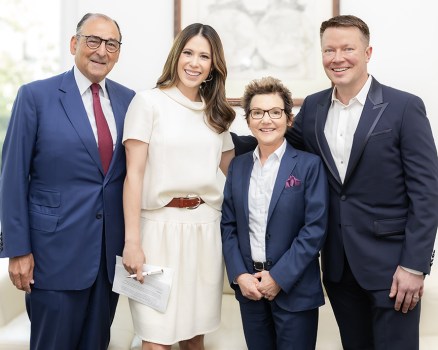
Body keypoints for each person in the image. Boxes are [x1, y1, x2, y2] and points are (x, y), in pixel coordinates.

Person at [232, 14, 438, 350]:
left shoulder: (404, 107)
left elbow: (427, 194)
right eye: (329, 50)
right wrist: (219, 142)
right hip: (339, 268)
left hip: (393, 268)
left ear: (368, 53)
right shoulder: (313, 107)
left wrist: (415, 266)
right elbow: (280, 140)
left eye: (347, 49)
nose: (337, 58)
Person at [0, 13, 135, 350]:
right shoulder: (35, 97)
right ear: (74, 44)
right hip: (53, 257)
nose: (102, 51)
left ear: (118, 52)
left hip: (107, 259)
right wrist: (18, 250)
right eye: (93, 40)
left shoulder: (129, 101)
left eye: (111, 44)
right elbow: (12, 176)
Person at [122, 23, 235, 350]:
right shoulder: (148, 103)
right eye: (188, 52)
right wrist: (132, 242)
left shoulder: (216, 114)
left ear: (213, 66)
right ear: (176, 55)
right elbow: (134, 176)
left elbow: (237, 174)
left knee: (194, 336)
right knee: (155, 337)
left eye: (204, 56)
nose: (194, 62)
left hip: (205, 230)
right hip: (156, 231)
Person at [221, 76, 328, 349]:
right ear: (248, 120)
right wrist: (238, 275)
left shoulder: (309, 166)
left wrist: (279, 277)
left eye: (275, 112)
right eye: (257, 113)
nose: (266, 120)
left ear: (289, 119)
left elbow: (314, 229)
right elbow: (229, 225)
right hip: (250, 290)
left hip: (295, 290)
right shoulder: (238, 167)